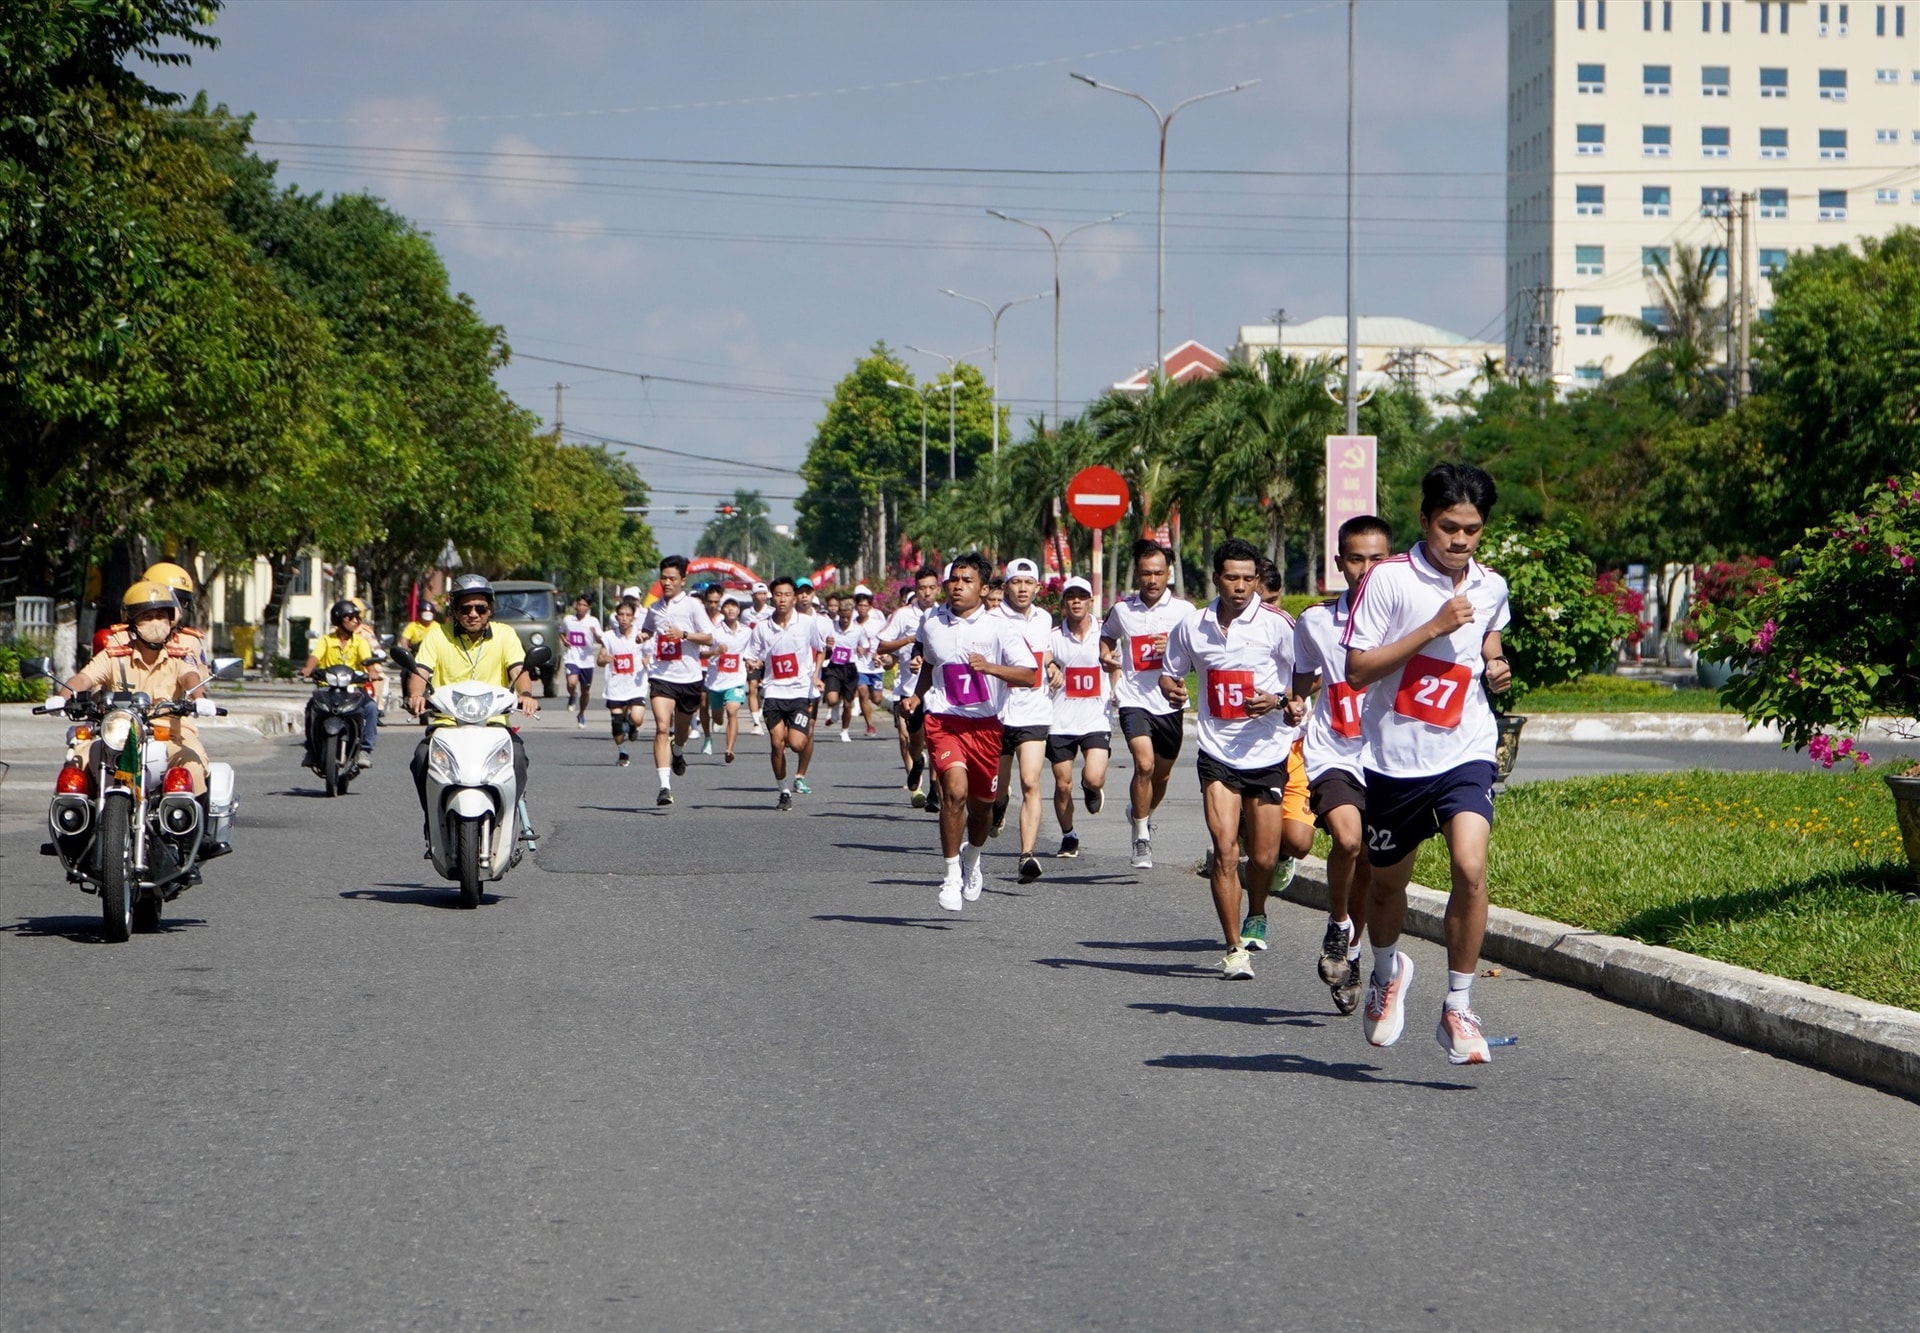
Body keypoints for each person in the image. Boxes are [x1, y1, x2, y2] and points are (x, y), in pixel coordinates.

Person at [1344, 463, 1512, 1065]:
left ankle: (1458, 1003)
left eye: (1472, 529)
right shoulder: (1389, 581)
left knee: (1470, 866)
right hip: (1395, 760)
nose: (1460, 540)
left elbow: (1489, 631)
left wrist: (1494, 661)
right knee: (1387, 884)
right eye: (1448, 527)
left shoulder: (1491, 585)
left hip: (1464, 748)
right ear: (1424, 520)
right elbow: (1358, 670)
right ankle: (1388, 971)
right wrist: (1433, 626)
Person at [1160, 539, 1314, 980]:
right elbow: (1171, 674)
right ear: (1217, 578)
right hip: (1216, 751)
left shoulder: (1278, 625)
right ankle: (1233, 949)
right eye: (1232, 577)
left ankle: (1258, 911)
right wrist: (1172, 690)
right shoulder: (1193, 626)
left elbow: (1309, 675)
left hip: (1267, 751)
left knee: (1263, 858)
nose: (1242, 587)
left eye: (1249, 578)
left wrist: (1283, 699)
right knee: (1225, 850)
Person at [1290, 514, 1394, 1014]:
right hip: (1334, 751)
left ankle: (1351, 955)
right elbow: (1304, 672)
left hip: (1390, 758)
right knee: (1349, 840)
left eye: (1377, 559)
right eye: (1356, 559)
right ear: (1339, 563)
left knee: (1371, 865)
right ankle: (1337, 923)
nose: (1367, 569)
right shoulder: (1315, 621)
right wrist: (1292, 700)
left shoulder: (1411, 622)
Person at [903, 553, 1040, 912]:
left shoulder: (999, 627)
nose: (958, 586)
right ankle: (950, 875)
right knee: (954, 792)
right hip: (945, 721)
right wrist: (916, 695)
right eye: (954, 580)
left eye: (967, 581)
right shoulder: (932, 621)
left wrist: (991, 668)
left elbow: (1029, 674)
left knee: (983, 808)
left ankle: (972, 859)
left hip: (986, 726)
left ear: (982, 589)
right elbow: (931, 663)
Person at [404, 575, 540, 839]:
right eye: (465, 608)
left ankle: (509, 818)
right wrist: (416, 695)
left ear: (490, 610)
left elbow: (518, 670)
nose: (473, 614)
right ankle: (432, 819)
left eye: (481, 608)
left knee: (519, 759)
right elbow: (419, 672)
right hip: (447, 725)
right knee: (421, 760)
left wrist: (525, 694)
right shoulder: (437, 636)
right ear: (454, 610)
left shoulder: (505, 635)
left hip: (495, 725)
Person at [59, 581, 216, 798]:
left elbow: (190, 677)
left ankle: (189, 824)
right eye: (147, 617)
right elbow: (84, 678)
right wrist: (62, 696)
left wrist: (199, 699)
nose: (156, 623)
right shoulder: (115, 656)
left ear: (170, 620)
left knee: (193, 763)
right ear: (132, 623)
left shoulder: (178, 657)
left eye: (161, 616)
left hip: (168, 735)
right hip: (118, 733)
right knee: (78, 761)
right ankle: (76, 820)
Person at [1101, 538, 1196, 869]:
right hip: (1133, 699)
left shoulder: (1185, 612)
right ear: (1137, 575)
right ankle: (1141, 835)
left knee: (1161, 776)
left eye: (1158, 573)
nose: (1152, 580)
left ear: (1168, 573)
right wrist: (1104, 653)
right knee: (1143, 765)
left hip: (1169, 702)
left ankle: (1140, 811)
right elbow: (1108, 634)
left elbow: (1200, 655)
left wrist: (1173, 644)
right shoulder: (1124, 610)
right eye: (1146, 573)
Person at [990, 558, 1053, 883]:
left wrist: (1053, 668)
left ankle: (1026, 854)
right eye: (1017, 582)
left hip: (1034, 712)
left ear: (1038, 588)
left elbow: (1046, 653)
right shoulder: (991, 619)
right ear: (1006, 587)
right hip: (998, 713)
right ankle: (999, 807)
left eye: (1029, 583)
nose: (1023, 588)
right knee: (997, 789)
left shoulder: (1044, 618)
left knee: (1031, 781)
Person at [743, 577, 827, 810]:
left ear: (793, 597)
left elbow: (821, 649)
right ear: (772, 596)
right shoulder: (762, 627)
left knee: (797, 743)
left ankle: (793, 732)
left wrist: (816, 675)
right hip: (773, 693)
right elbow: (751, 654)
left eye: (787, 594)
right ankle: (784, 791)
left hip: (800, 693)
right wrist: (752, 663)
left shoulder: (807, 623)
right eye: (778, 594)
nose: (783, 599)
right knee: (777, 744)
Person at [1043, 576, 1111, 860]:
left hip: (1096, 717)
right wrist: (1049, 665)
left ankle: (1090, 788)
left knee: (1094, 777)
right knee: (1062, 784)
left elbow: (1116, 661)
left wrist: (1118, 688)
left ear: (1090, 601)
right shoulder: (1054, 636)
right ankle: (1069, 835)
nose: (1076, 601)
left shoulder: (1104, 633)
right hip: (1061, 720)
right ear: (1063, 604)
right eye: (1071, 597)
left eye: (1081, 596)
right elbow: (1044, 655)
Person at [641, 556, 716, 807]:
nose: (667, 582)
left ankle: (678, 751)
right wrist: (644, 635)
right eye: (663, 578)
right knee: (662, 727)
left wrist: (683, 634)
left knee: (681, 731)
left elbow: (709, 638)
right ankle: (664, 787)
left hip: (689, 678)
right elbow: (648, 628)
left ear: (683, 580)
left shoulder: (693, 606)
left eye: (672, 578)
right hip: (661, 676)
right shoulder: (654, 608)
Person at [879, 567, 941, 809]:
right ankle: (917, 763)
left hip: (938, 692)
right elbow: (882, 647)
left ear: (938, 589)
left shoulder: (945, 615)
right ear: (916, 589)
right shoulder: (904, 615)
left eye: (931, 587)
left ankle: (935, 791)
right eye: (922, 588)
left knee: (936, 740)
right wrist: (907, 642)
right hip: (909, 689)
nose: (927, 593)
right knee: (913, 740)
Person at [299, 598, 382, 771]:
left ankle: (364, 751)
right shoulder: (326, 640)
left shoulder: (360, 642)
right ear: (338, 620)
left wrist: (372, 672)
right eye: (350, 618)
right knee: (311, 708)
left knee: (371, 708)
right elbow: (315, 657)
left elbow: (367, 660)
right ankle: (311, 749)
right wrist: (308, 668)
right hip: (328, 688)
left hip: (353, 689)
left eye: (357, 618)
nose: (355, 621)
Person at [597, 600, 650, 767]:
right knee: (617, 723)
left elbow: (650, 654)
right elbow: (600, 658)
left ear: (633, 618)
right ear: (616, 617)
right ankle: (623, 752)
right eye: (621, 615)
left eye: (628, 615)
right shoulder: (609, 636)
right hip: (616, 686)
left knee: (637, 718)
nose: (624, 619)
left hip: (636, 685)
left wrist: (647, 660)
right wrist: (604, 659)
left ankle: (633, 726)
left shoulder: (641, 636)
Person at [704, 593, 752, 763]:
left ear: (739, 610)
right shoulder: (714, 632)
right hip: (716, 681)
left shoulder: (747, 631)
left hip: (736, 680)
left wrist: (753, 661)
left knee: (732, 711)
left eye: (734, 606)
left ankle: (729, 749)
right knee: (718, 718)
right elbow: (701, 652)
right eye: (727, 606)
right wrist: (715, 652)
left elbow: (752, 651)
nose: (731, 609)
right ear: (722, 609)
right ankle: (717, 720)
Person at [820, 598, 874, 745]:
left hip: (850, 667)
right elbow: (822, 644)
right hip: (834, 666)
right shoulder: (831, 627)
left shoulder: (858, 629)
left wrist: (862, 649)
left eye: (847, 617)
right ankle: (835, 707)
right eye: (842, 617)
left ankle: (844, 730)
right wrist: (828, 645)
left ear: (852, 615)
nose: (844, 620)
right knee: (831, 698)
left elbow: (865, 644)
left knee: (849, 704)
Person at [561, 593, 604, 728]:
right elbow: (561, 632)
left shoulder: (593, 621)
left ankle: (581, 714)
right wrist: (564, 641)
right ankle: (572, 695)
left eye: (584, 605)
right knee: (571, 682)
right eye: (579, 604)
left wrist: (595, 633)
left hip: (587, 660)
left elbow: (601, 640)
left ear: (588, 607)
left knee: (585, 690)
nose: (581, 607)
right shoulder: (568, 619)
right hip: (571, 657)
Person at [850, 585, 884, 737]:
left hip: (875, 666)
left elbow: (886, 641)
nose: (863, 608)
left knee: (876, 699)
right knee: (862, 692)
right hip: (859, 665)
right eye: (860, 605)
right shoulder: (851, 624)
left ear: (870, 607)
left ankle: (870, 703)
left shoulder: (877, 623)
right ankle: (870, 725)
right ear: (856, 607)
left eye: (865, 605)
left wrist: (880, 654)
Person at [743, 581, 772, 734]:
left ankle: (763, 712)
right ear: (753, 596)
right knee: (752, 686)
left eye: (763, 594)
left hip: (768, 657)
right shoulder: (746, 614)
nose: (761, 597)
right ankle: (756, 724)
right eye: (758, 594)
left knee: (767, 690)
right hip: (752, 657)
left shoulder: (772, 612)